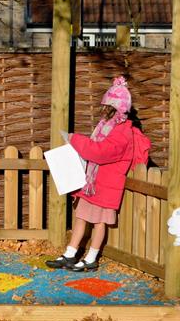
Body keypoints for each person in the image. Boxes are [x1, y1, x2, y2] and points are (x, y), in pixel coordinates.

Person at [46, 76, 150, 271]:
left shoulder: (122, 132)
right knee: (81, 216)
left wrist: (75, 139)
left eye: (107, 107)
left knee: (99, 222)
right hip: (94, 182)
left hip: (106, 185)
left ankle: (91, 257)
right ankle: (70, 254)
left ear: (115, 108)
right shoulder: (107, 125)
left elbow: (100, 152)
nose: (103, 110)